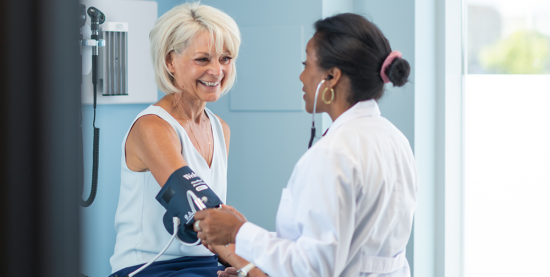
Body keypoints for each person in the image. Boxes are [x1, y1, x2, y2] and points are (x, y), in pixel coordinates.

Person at [193, 13, 418, 277]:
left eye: (306, 64)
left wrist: (238, 232)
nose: (301, 76)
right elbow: (344, 251)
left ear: (331, 76)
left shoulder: (334, 154)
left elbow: (314, 267)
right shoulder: (395, 140)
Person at [109, 3, 243, 276]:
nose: (217, 71)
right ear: (171, 61)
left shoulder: (221, 129)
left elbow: (217, 224)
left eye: (225, 59)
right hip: (150, 267)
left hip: (206, 265)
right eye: (203, 59)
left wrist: (234, 267)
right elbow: (197, 208)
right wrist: (252, 266)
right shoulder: (153, 127)